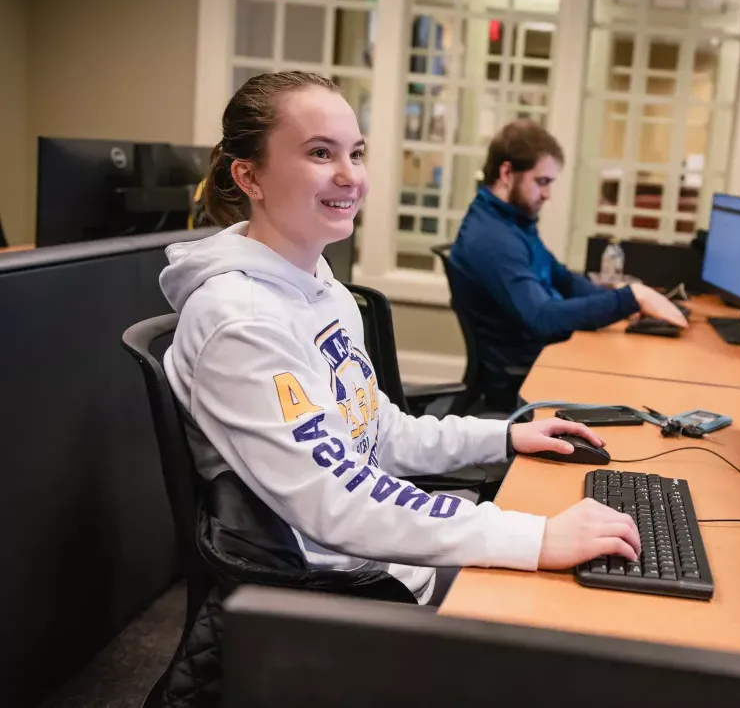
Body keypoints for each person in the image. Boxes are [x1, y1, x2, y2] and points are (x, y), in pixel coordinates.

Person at [159, 71, 639, 606]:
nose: (351, 177)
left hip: (378, 550)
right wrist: (534, 536)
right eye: (321, 153)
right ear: (249, 176)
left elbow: (378, 434)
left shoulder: (324, 290)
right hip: (338, 586)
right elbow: (338, 502)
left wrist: (502, 437)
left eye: (356, 154)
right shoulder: (240, 321)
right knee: (587, 608)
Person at [449, 120, 687, 411]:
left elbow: (563, 279)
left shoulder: (511, 222)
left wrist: (624, 303)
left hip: (544, 360)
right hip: (523, 381)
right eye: (541, 182)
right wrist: (629, 298)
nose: (548, 194)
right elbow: (543, 318)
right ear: (507, 172)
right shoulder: (493, 239)